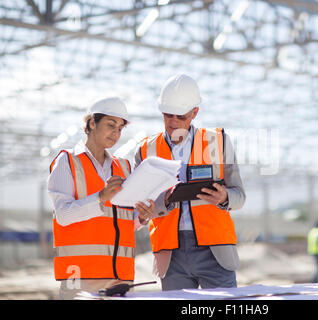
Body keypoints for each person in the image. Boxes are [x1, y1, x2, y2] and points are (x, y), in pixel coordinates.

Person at [134, 74, 246, 291]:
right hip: (171, 254)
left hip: (216, 252)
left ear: (195, 112)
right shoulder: (146, 150)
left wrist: (225, 197)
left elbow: (240, 196)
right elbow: (139, 207)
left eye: (181, 116)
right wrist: (163, 201)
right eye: (167, 115)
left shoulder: (218, 142)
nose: (173, 122)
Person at [47, 97, 156, 299]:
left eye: (120, 128)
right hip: (80, 276)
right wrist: (100, 197)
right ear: (91, 123)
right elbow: (63, 215)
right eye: (110, 125)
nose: (116, 133)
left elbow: (120, 221)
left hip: (120, 277)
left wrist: (141, 218)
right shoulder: (67, 162)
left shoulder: (124, 167)